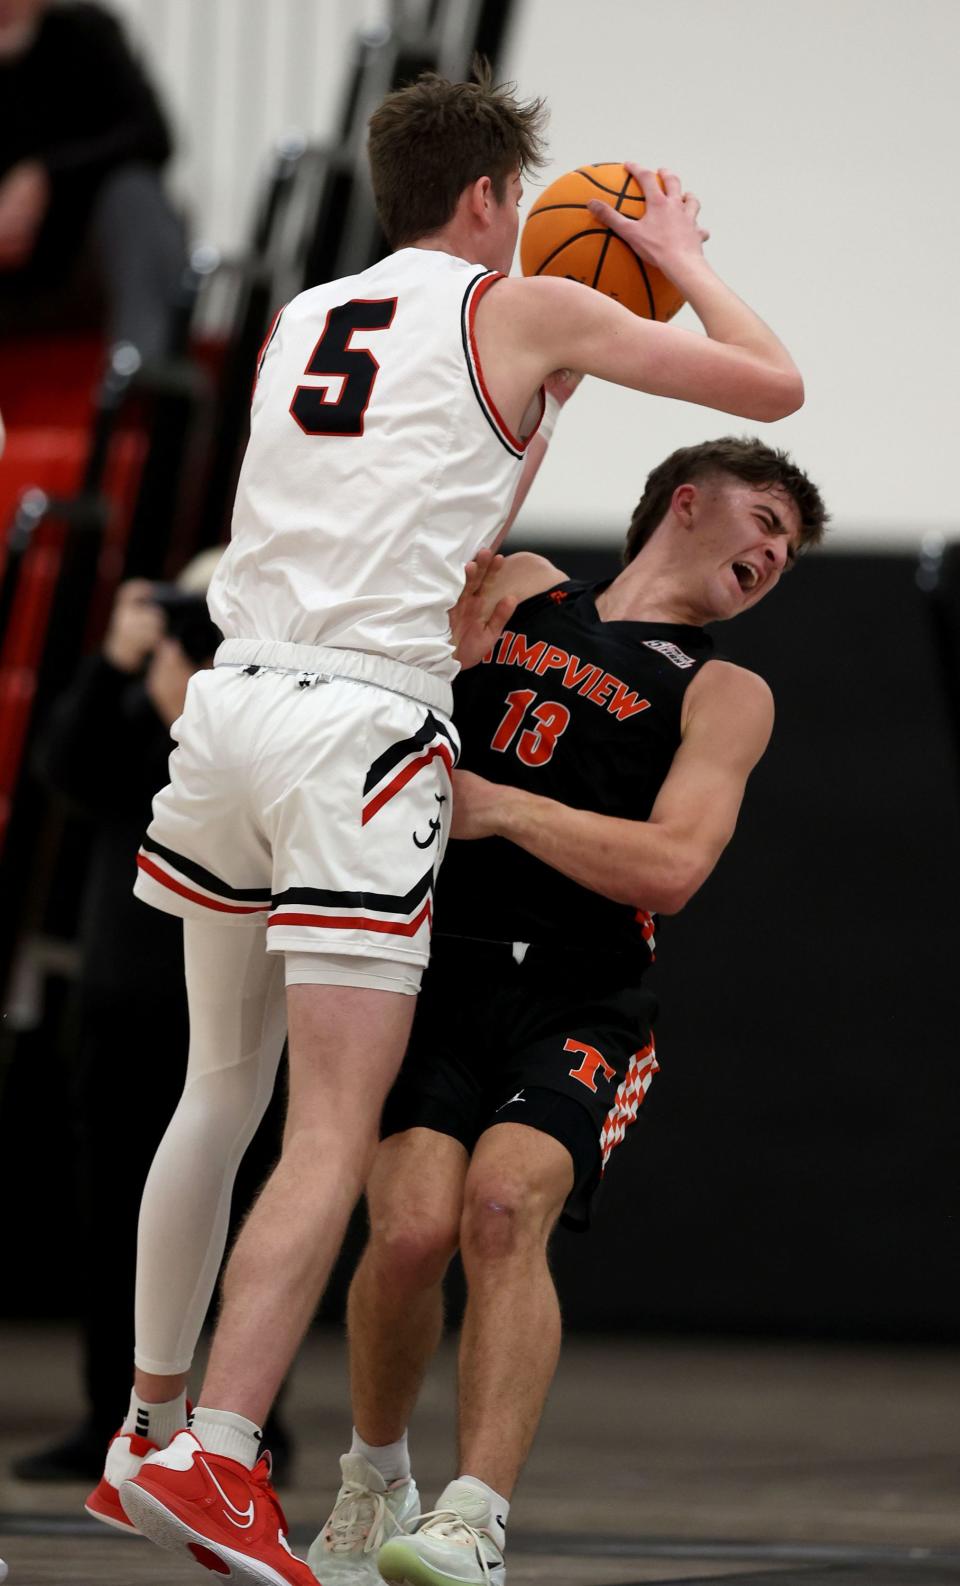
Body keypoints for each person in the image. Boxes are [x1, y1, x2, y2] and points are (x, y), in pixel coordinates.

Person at [89, 61, 804, 1586]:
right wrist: (668, 255)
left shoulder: (301, 316)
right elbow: (771, 387)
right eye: (525, 210)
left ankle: (141, 1427)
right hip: (356, 720)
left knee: (221, 1086)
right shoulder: (521, 307)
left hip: (230, 700)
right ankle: (218, 1454)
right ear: (487, 201)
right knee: (334, 1130)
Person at [308, 436, 828, 1586]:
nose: (777, 550)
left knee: (502, 1204)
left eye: (791, 546)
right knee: (404, 1230)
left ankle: (475, 1516)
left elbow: (676, 864)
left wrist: (510, 811)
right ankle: (371, 1477)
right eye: (767, 518)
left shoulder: (727, 691)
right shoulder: (526, 584)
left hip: (583, 988)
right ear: (685, 502)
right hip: (441, 962)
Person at [14, 562, 293, 1487]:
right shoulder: (133, 701)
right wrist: (117, 668)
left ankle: (244, 1416)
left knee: (247, 1207)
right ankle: (115, 1414)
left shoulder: (275, 716)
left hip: (241, 996)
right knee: (113, 1214)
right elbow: (67, 772)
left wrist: (201, 714)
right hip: (123, 994)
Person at [0, 0, 186, 359]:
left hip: (77, 261)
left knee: (135, 194)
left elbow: (152, 135)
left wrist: (45, 177)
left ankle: (141, 375)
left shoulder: (86, 36)